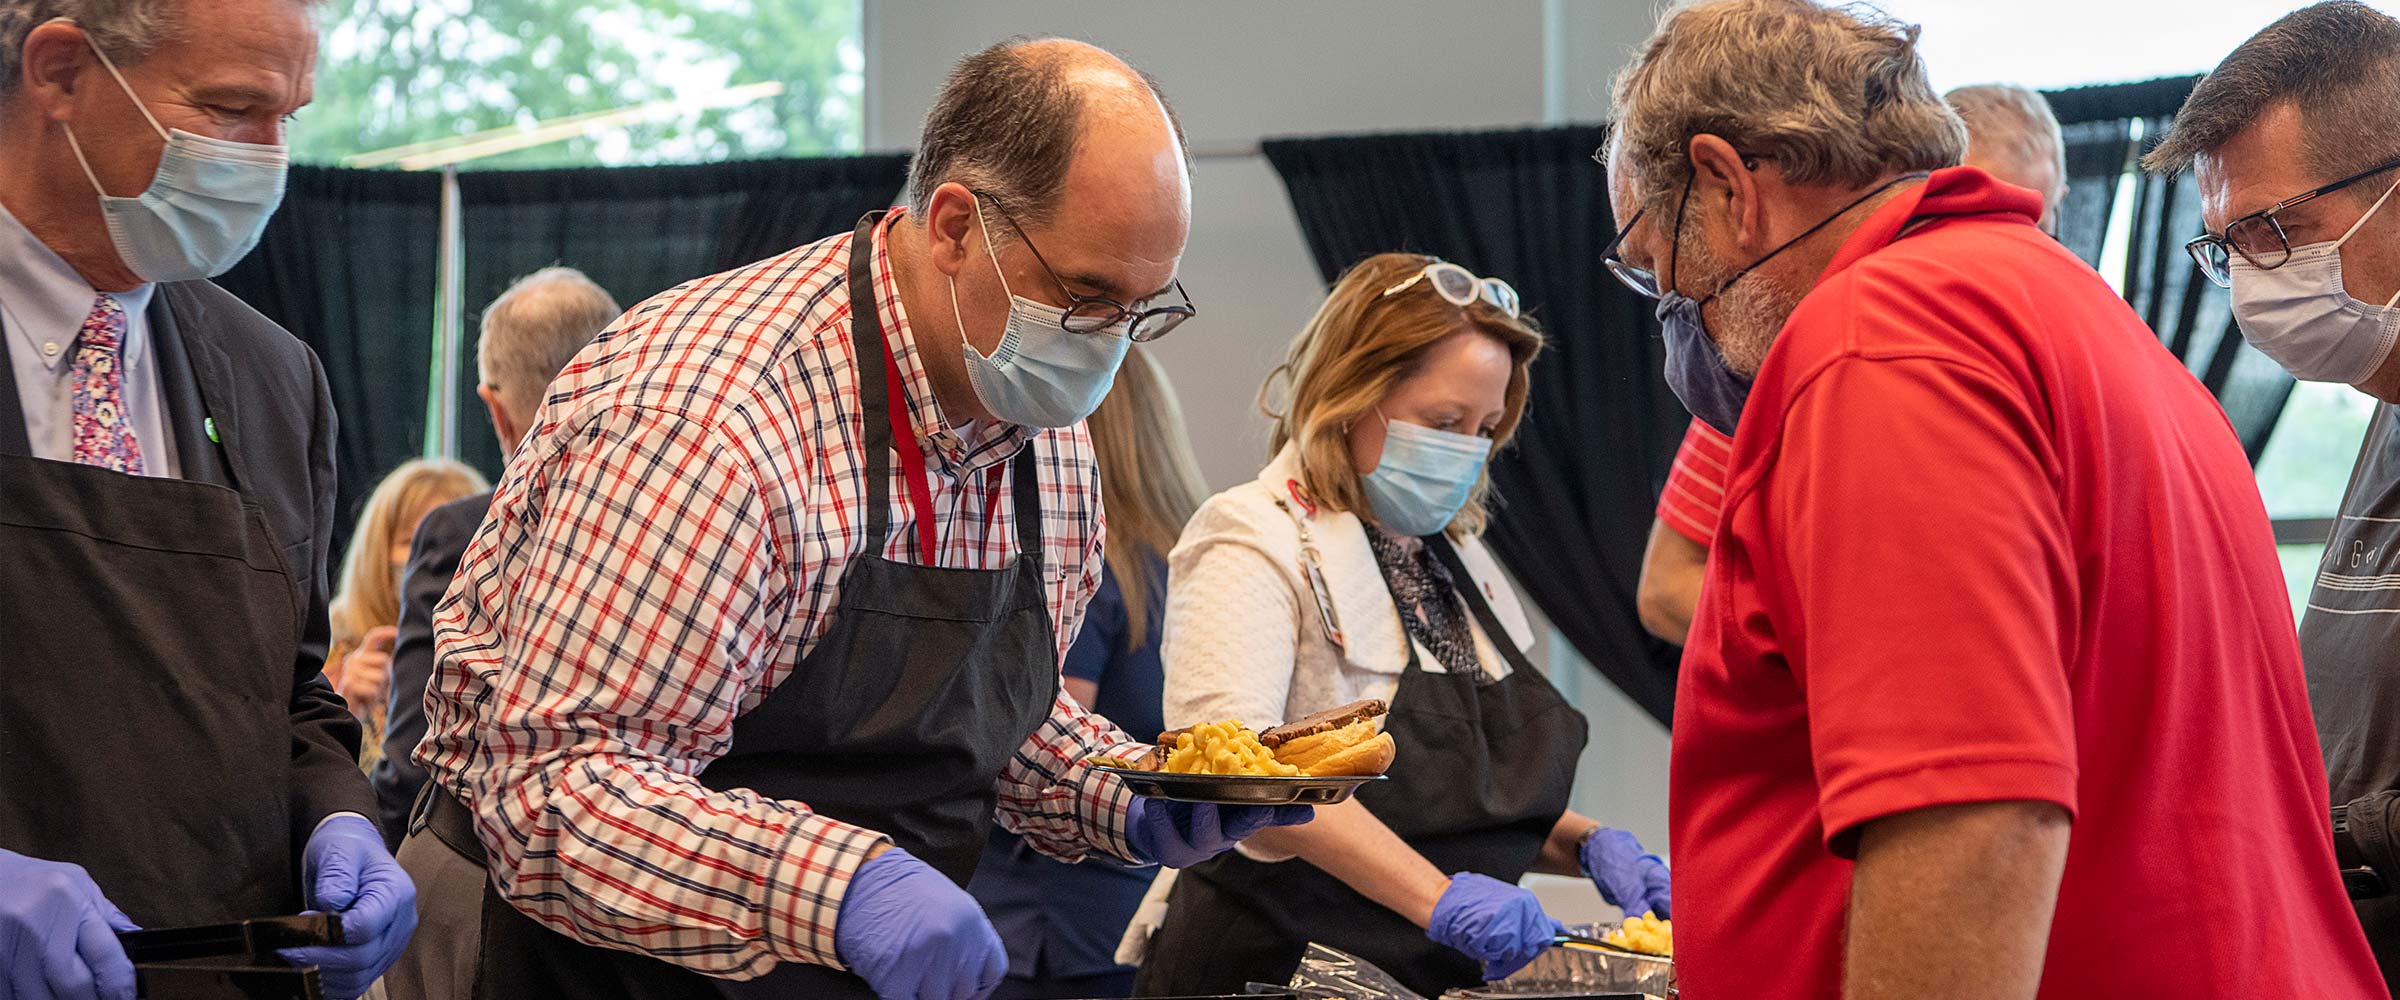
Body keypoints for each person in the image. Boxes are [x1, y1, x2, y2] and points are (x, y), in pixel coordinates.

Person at [396, 38, 1311, 1000]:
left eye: (1141, 308)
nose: (1111, 345)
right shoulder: (713, 418)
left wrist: (1129, 795)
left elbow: (991, 723)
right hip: (571, 959)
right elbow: (557, 793)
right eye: (1086, 297)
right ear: (955, 226)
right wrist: (841, 888)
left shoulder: (1038, 426)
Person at [1604, 0, 2383, 996]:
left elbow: (1972, 817)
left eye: (1652, 258)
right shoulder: (2071, 315)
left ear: (1725, 184)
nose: (1671, 297)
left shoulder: (1880, 341)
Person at [0, 3, 415, 998]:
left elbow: (290, 698)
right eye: (232, 108)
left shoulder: (274, 380)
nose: (269, 159)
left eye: (290, 116)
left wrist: (341, 818)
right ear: (59, 72)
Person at [1132, 253, 1671, 998]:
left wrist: (1583, 843)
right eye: (1443, 422)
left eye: (1485, 428)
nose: (1467, 450)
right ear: (1353, 393)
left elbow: (1451, 798)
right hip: (1270, 966)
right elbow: (1242, 791)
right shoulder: (1249, 536)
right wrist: (1439, 899)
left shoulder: (1452, 561)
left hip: (1419, 971)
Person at [2144, 3, 2400, 991]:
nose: (2254, 278)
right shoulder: (2383, 398)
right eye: (2226, 244)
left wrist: (2292, 830)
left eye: (2278, 230)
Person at [1633, 78, 2070, 647]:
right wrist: (1837, 651)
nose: (2001, 240)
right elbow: (1665, 587)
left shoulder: (2055, 356)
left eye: (2034, 220)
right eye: (1975, 209)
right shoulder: (1780, 363)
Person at [965, 345, 1202, 1000]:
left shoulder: (1094, 575)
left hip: (1044, 928)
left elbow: (1031, 736)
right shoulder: (1185, 563)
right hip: (1131, 904)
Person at [368, 266, 619, 848]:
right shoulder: (688, 511)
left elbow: (413, 764)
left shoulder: (459, 533)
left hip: (490, 878)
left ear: (494, 408)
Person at [322, 457, 485, 774]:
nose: (434, 559)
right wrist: (347, 707)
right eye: (414, 542)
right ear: (378, 552)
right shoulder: (325, 647)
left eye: (457, 545)